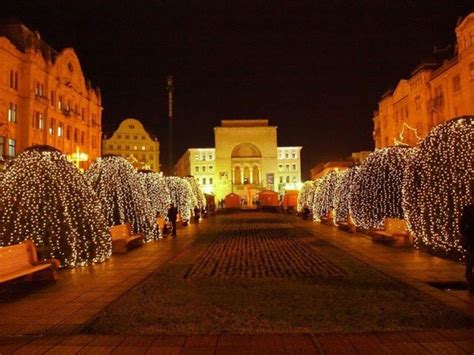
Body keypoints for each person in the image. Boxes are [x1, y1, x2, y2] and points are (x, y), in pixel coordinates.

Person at [460, 203, 474, 292]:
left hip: (471, 242)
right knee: (470, 265)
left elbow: (462, 226)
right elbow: (462, 227)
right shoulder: (468, 210)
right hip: (471, 242)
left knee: (470, 265)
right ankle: (471, 285)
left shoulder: (468, 210)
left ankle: (471, 285)